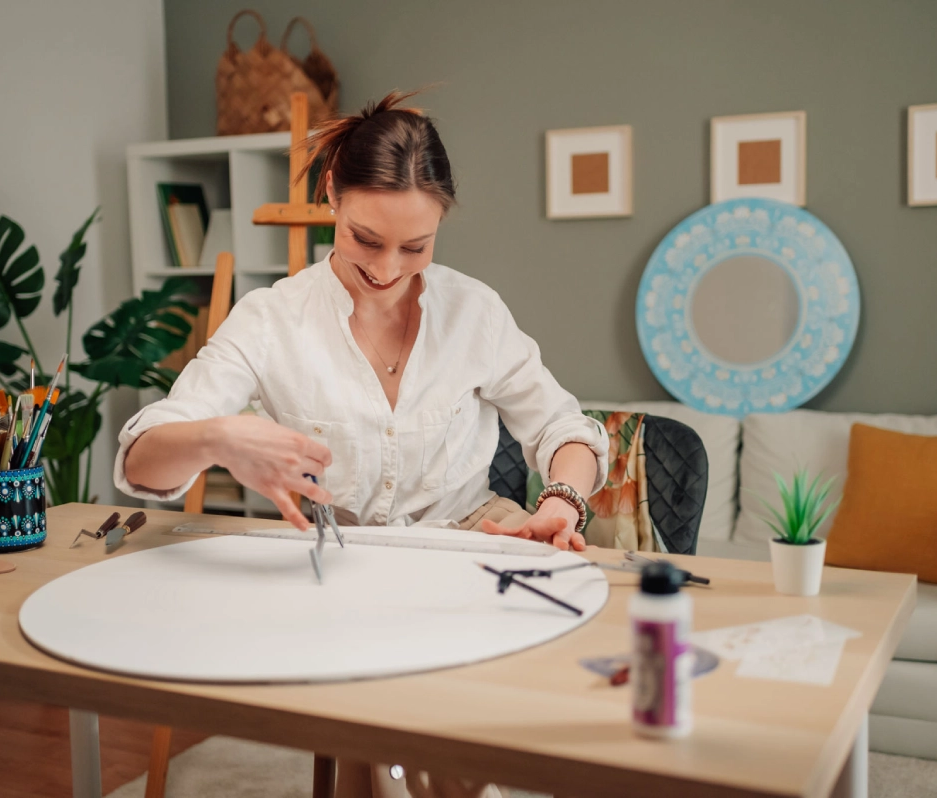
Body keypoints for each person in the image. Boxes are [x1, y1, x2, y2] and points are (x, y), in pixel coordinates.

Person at [114, 90, 609, 798]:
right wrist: (220, 437)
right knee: (378, 718)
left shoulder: (475, 312)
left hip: (465, 552)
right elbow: (141, 458)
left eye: (417, 246)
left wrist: (561, 498)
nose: (386, 268)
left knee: (462, 731)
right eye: (365, 239)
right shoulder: (270, 320)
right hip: (338, 569)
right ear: (331, 197)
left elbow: (566, 429)